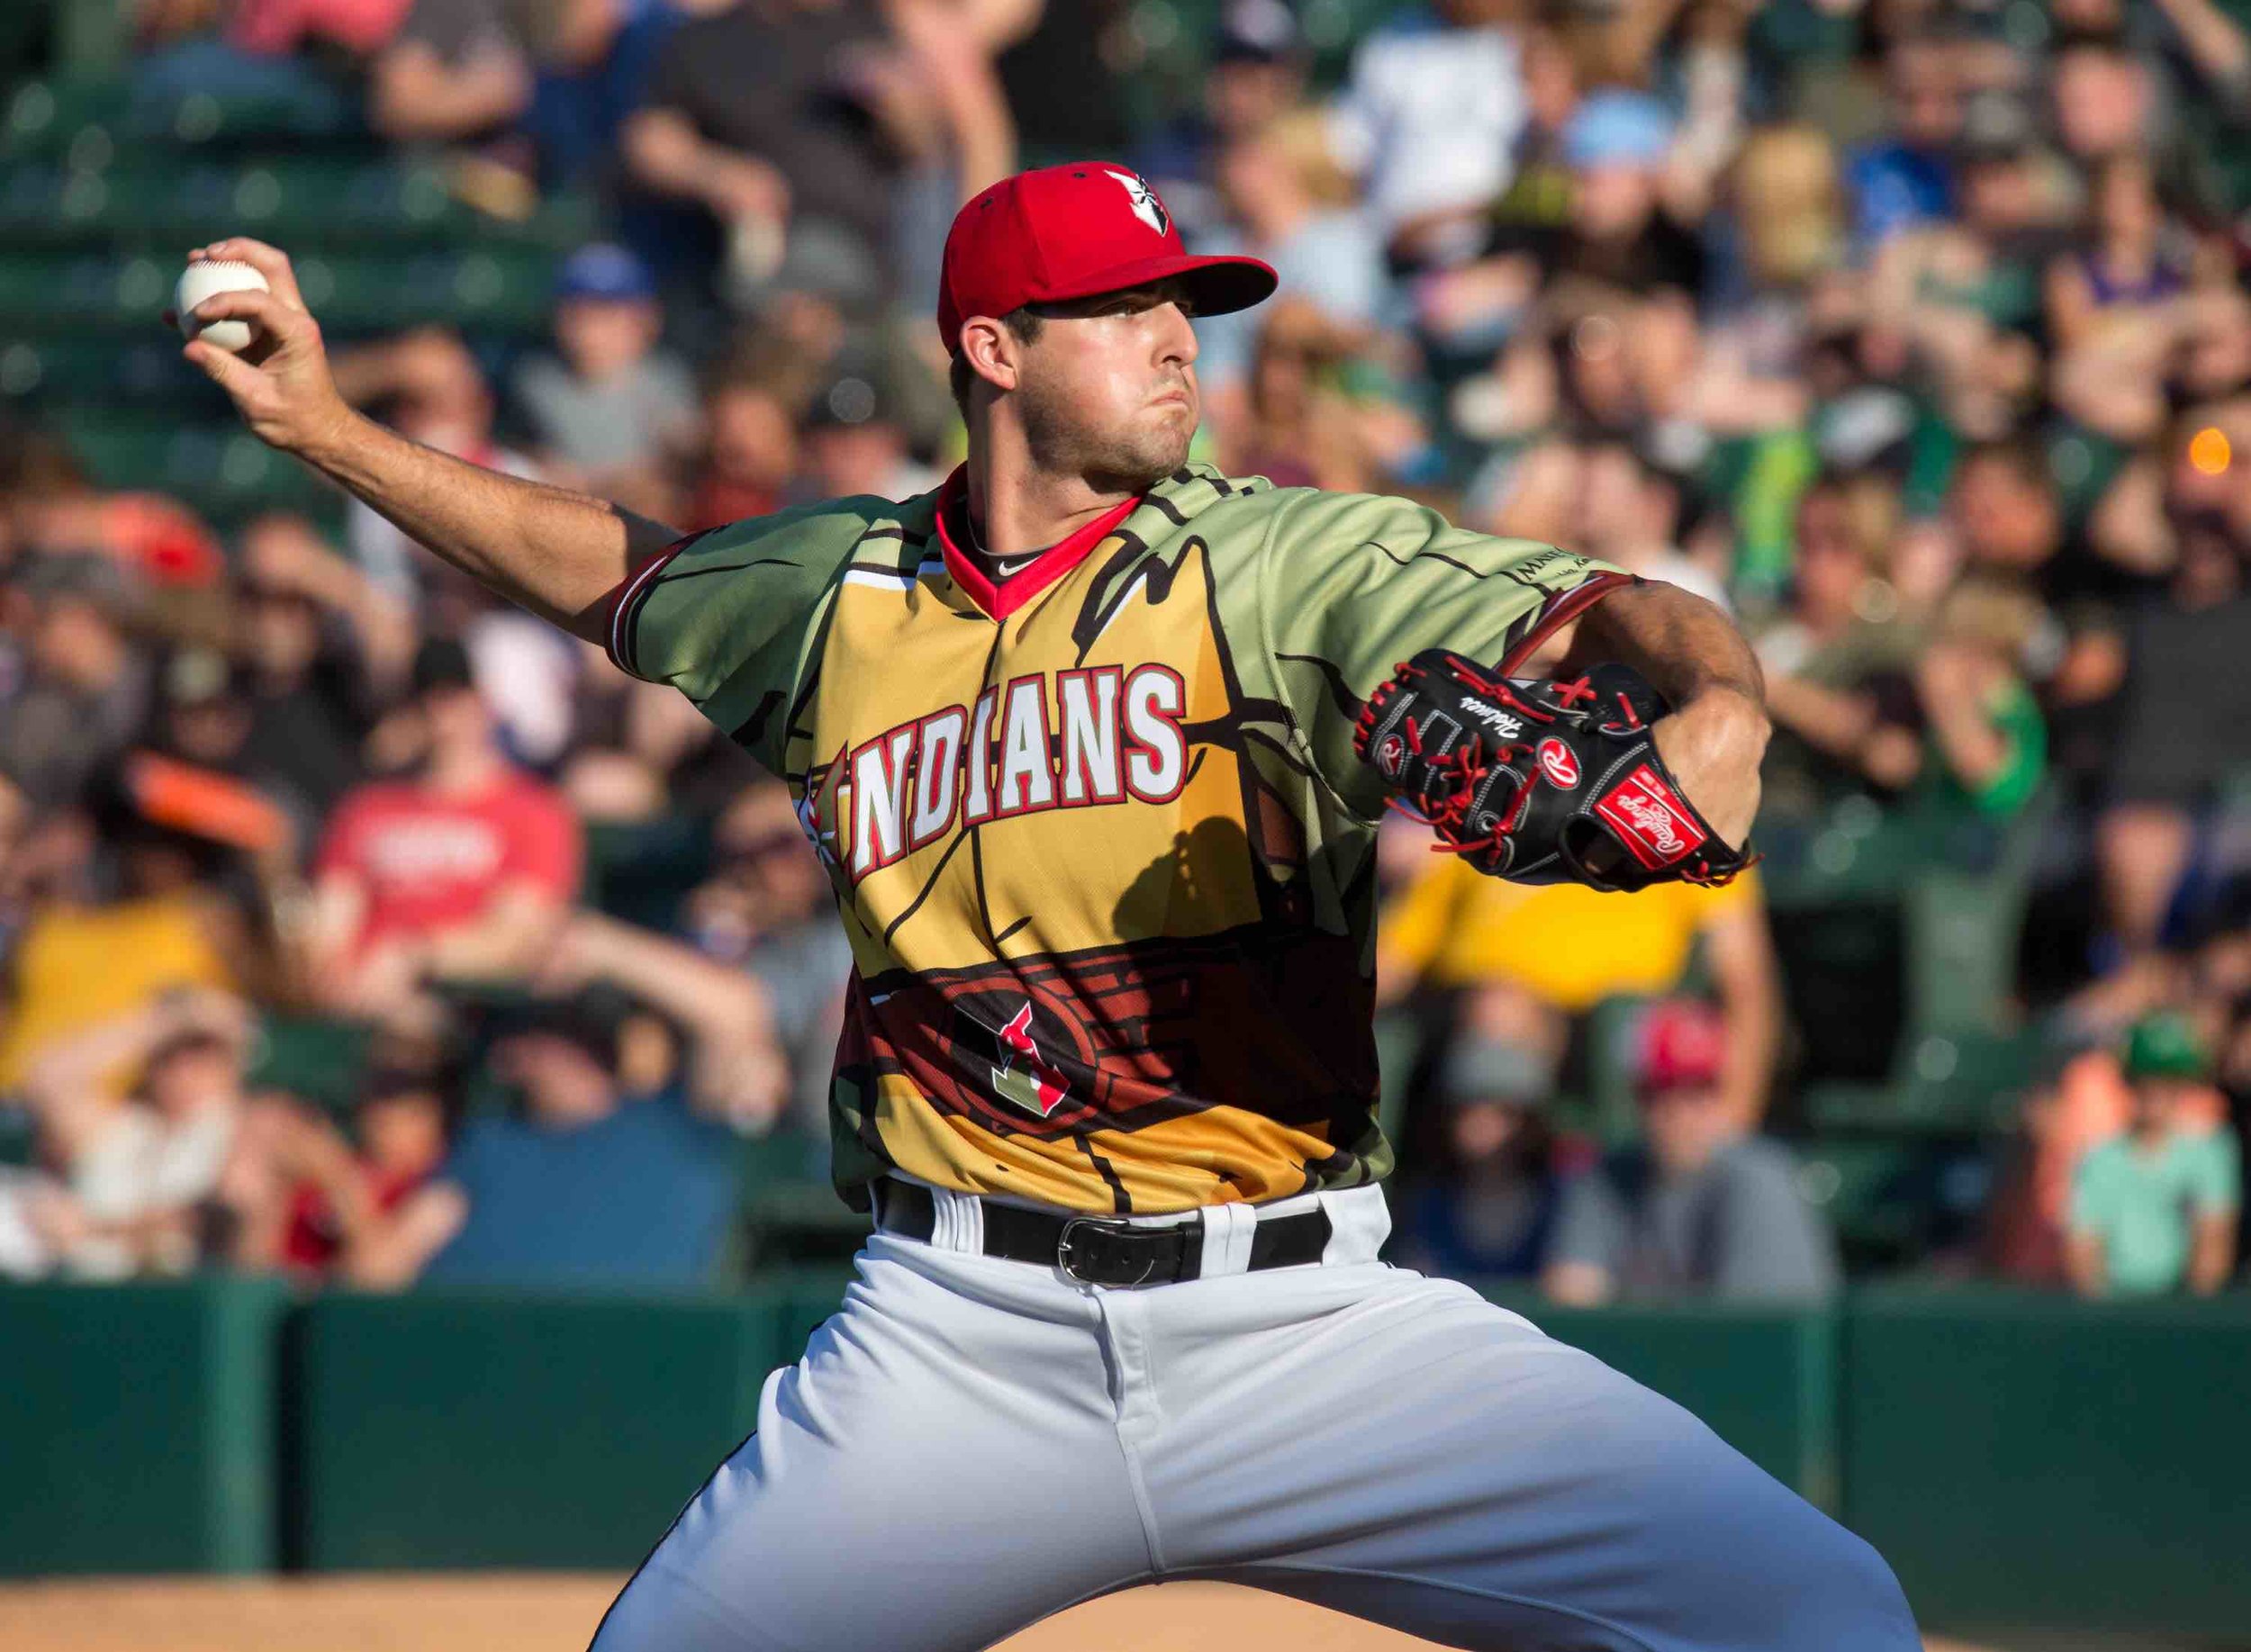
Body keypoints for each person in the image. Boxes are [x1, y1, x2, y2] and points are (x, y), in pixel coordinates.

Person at [178, 158, 1913, 1649]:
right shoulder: (830, 596)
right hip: (953, 1342)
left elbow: (1619, 603)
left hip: (1305, 1318)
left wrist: (1721, 709)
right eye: (1117, 305)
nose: (1175, 336)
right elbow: (614, 570)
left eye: (1185, 303)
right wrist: (327, 432)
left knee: (1815, 1619)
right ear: (993, 351)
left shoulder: (1282, 561)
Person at [303, 637, 582, 1025]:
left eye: (454, 696)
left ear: (486, 701)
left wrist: (415, 955)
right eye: (426, 699)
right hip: (359, 1002)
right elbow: (330, 922)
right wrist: (333, 974)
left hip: (464, 1007)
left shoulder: (534, 810)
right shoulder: (366, 807)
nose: (441, 713)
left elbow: (516, 937)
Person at [1541, 999, 1840, 1307]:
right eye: (1660, 1088)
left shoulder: (1760, 1181)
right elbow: (1571, 1298)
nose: (1677, 1109)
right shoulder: (1607, 1177)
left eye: (1699, 1088)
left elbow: (1749, 1334)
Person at [2066, 1012, 2241, 1297]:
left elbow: (2214, 1244)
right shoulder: (2099, 1159)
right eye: (2144, 1080)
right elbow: (2084, 1252)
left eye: (2167, 1081)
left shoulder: (2211, 1152)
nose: (2155, 1092)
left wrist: (2188, 1317)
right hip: (2115, 1317)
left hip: (2184, 1316)